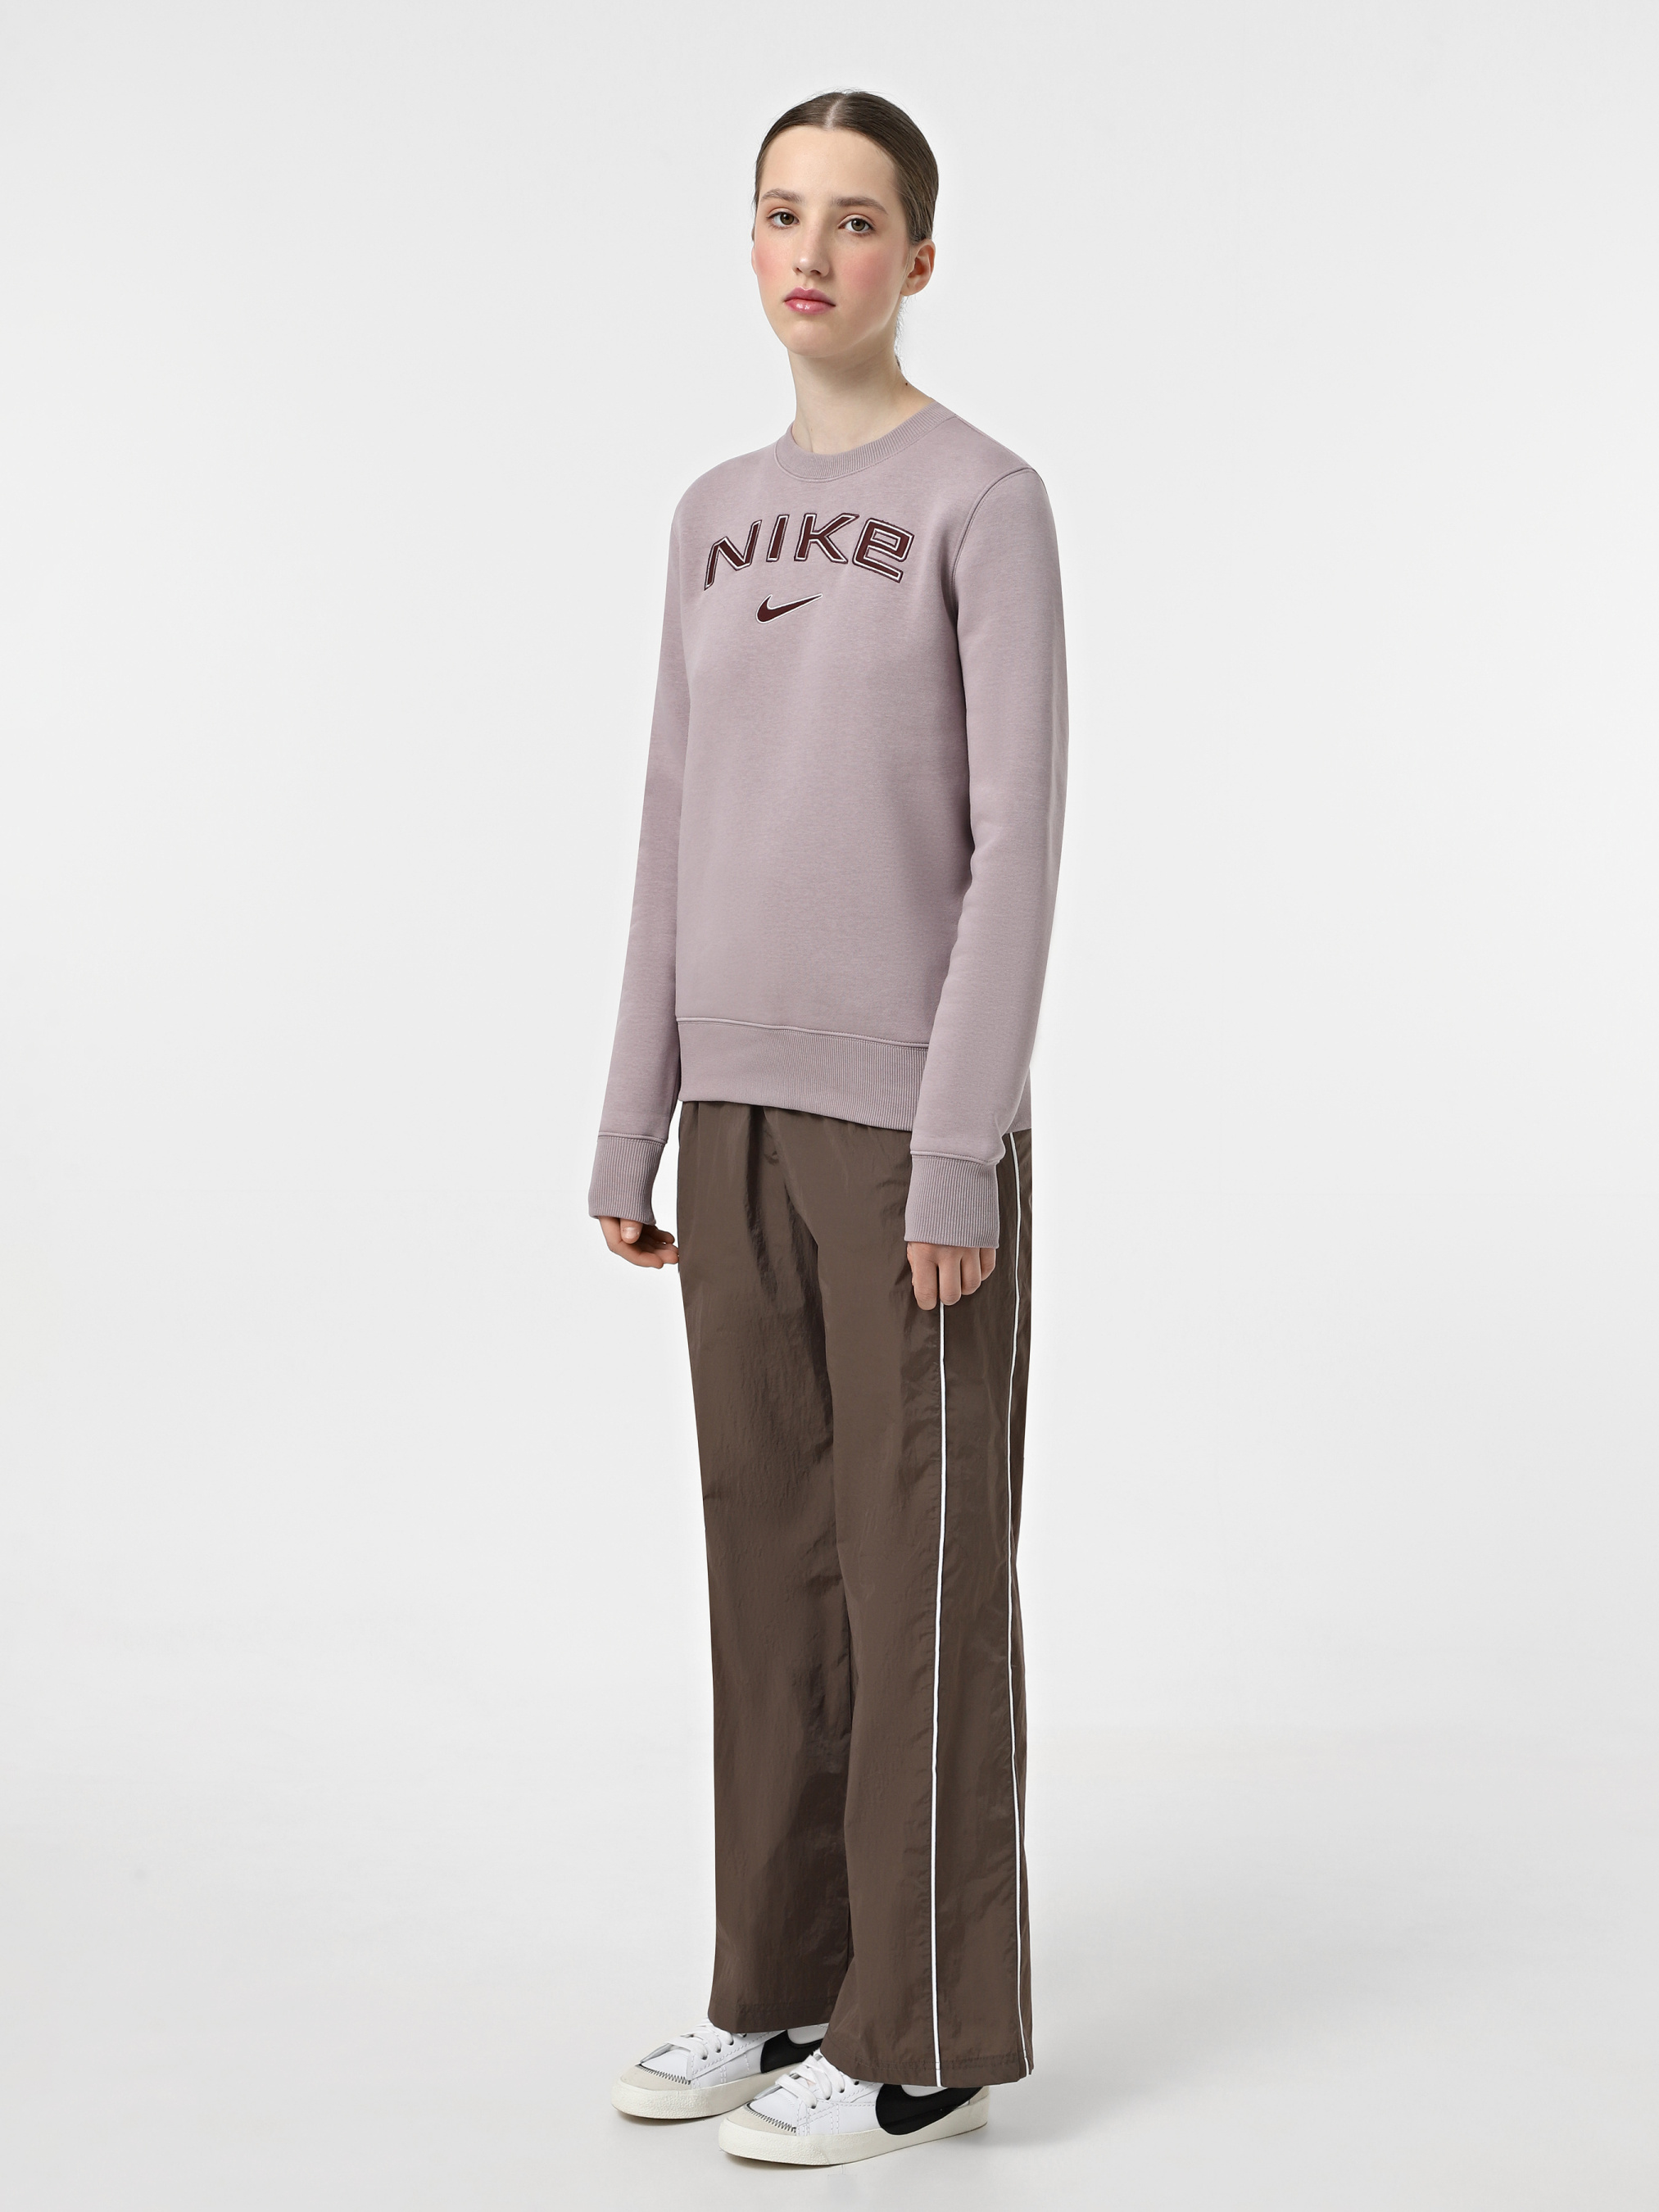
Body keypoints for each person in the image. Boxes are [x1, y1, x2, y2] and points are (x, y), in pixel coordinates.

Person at [588, 87, 1067, 2168]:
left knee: (914, 1572)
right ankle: (774, 1987)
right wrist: (635, 1116)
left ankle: (921, 2030)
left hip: (900, 1133)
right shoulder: (708, 513)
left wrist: (956, 1147)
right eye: (782, 213)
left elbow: (1015, 843)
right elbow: (672, 818)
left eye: (856, 221)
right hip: (735, 1118)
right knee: (770, 1566)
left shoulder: (983, 501)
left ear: (917, 260)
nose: (813, 251)